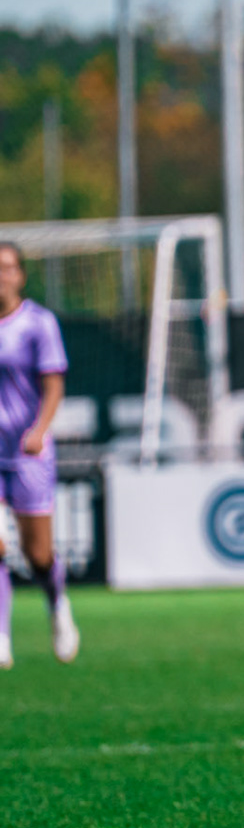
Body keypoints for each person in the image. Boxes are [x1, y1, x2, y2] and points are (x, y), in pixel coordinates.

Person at [0, 242, 79, 669]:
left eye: (7, 268)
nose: (1, 276)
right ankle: (1, 635)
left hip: (28, 450)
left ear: (20, 275)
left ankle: (57, 603)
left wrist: (39, 429)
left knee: (38, 555)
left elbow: (53, 385)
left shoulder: (37, 323)